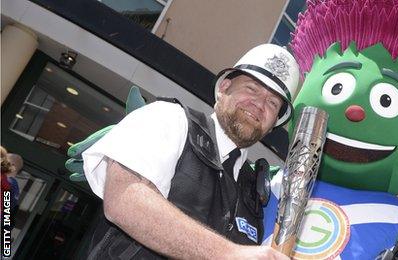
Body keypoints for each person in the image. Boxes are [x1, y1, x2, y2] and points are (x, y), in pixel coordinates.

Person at [81, 43, 300, 259]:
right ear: (224, 88)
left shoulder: (256, 194)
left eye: (272, 103)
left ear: (273, 124)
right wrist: (230, 253)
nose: (259, 105)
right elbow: (124, 200)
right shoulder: (169, 118)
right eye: (251, 89)